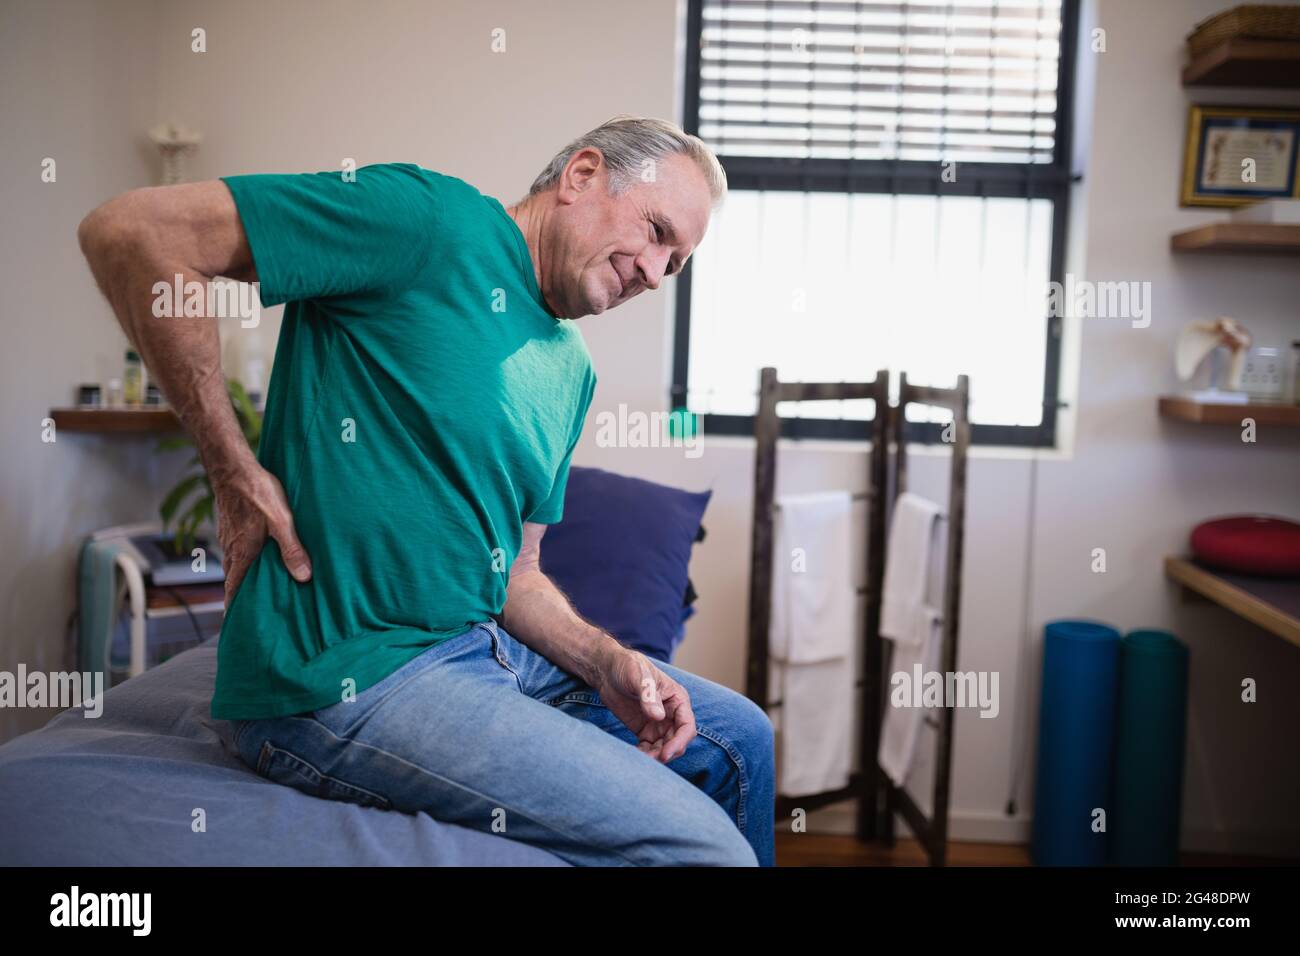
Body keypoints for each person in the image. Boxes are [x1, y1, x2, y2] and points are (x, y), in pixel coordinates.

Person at [78, 116, 775, 867]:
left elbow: (516, 573)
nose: (654, 272)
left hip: (488, 652)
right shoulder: (426, 220)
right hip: (355, 675)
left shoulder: (571, 369)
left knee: (740, 740)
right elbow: (134, 232)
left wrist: (605, 659)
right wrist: (231, 470)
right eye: (656, 230)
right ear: (581, 175)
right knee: (708, 852)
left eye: (675, 263)